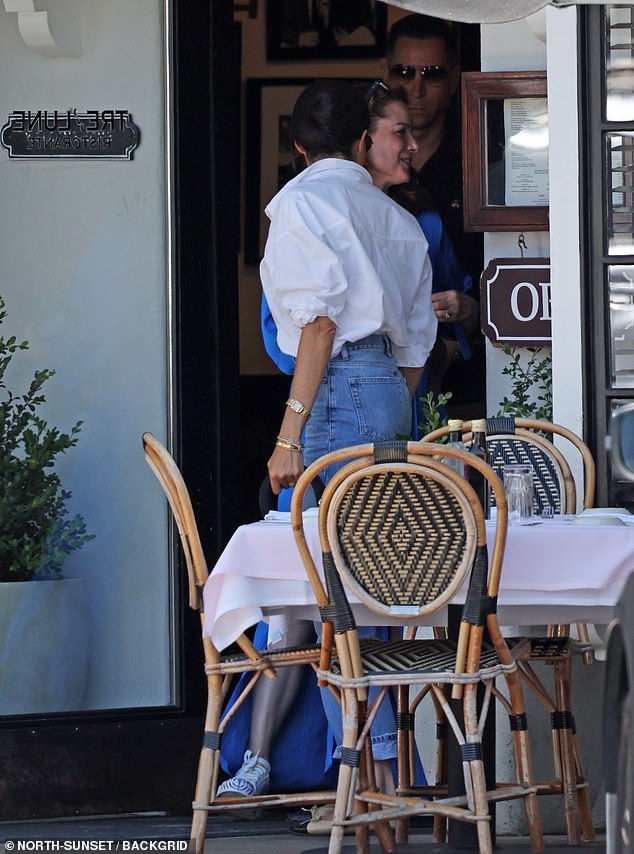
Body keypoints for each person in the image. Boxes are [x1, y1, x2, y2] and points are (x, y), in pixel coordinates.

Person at [217, 78, 436, 812]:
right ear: (360, 139)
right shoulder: (392, 215)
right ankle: (380, 776)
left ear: (298, 145)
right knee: (381, 584)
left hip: (335, 389)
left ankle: (355, 784)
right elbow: (416, 343)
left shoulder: (303, 205)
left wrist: (287, 435)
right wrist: (386, 399)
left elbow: (314, 328)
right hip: (385, 390)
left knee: (327, 590)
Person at [382, 13, 485, 411]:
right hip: (383, 378)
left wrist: (475, 310)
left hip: (470, 380)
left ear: (456, 77)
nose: (416, 87)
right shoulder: (361, 170)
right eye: (404, 71)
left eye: (433, 73)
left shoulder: (480, 163)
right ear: (384, 73)